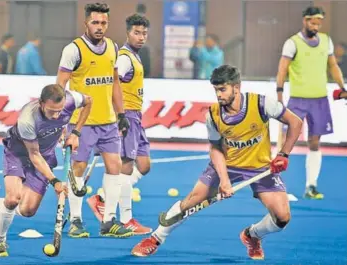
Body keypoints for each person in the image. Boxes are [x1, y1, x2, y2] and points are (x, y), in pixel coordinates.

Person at [131, 65, 303, 260]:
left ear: (236, 88)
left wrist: (284, 154)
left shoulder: (261, 104)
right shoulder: (213, 115)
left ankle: (252, 235)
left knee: (282, 217)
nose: (218, 95)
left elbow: (295, 122)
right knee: (192, 200)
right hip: (226, 165)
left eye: (223, 89)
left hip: (260, 167)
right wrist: (224, 180)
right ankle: (155, 238)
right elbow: (216, 149)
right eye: (216, 90)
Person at [0, 84, 92, 256]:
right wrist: (55, 181)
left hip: (46, 155)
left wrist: (75, 133)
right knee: (12, 199)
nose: (56, 115)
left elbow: (89, 101)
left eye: (60, 110)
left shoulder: (72, 99)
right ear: (41, 103)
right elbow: (34, 155)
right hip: (18, 153)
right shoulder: (28, 119)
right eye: (51, 111)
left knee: (27, 210)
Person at [56, 2, 132, 238]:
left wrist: (121, 114)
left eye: (104, 23)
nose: (100, 27)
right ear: (86, 23)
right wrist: (60, 124)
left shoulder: (113, 47)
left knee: (114, 167)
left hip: (108, 122)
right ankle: (76, 221)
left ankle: (108, 221)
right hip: (81, 124)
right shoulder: (73, 50)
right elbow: (60, 87)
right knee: (77, 170)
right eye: (95, 22)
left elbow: (115, 83)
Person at [86, 13, 152, 235]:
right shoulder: (124, 58)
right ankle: (126, 219)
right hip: (127, 116)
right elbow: (111, 83)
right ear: (128, 33)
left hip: (136, 116)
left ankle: (103, 198)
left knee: (144, 166)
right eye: (136, 33)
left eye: (144, 33)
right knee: (125, 168)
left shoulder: (135, 55)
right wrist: (116, 114)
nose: (141, 37)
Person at [276, 6, 345, 199]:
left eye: (319, 22)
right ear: (304, 20)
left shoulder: (326, 41)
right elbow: (282, 70)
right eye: (312, 22)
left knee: (315, 143)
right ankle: (277, 187)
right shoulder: (292, 43)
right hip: (298, 100)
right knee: (286, 143)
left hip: (320, 100)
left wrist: (343, 86)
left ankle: (311, 186)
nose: (316, 26)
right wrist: (280, 97)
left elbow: (333, 65)